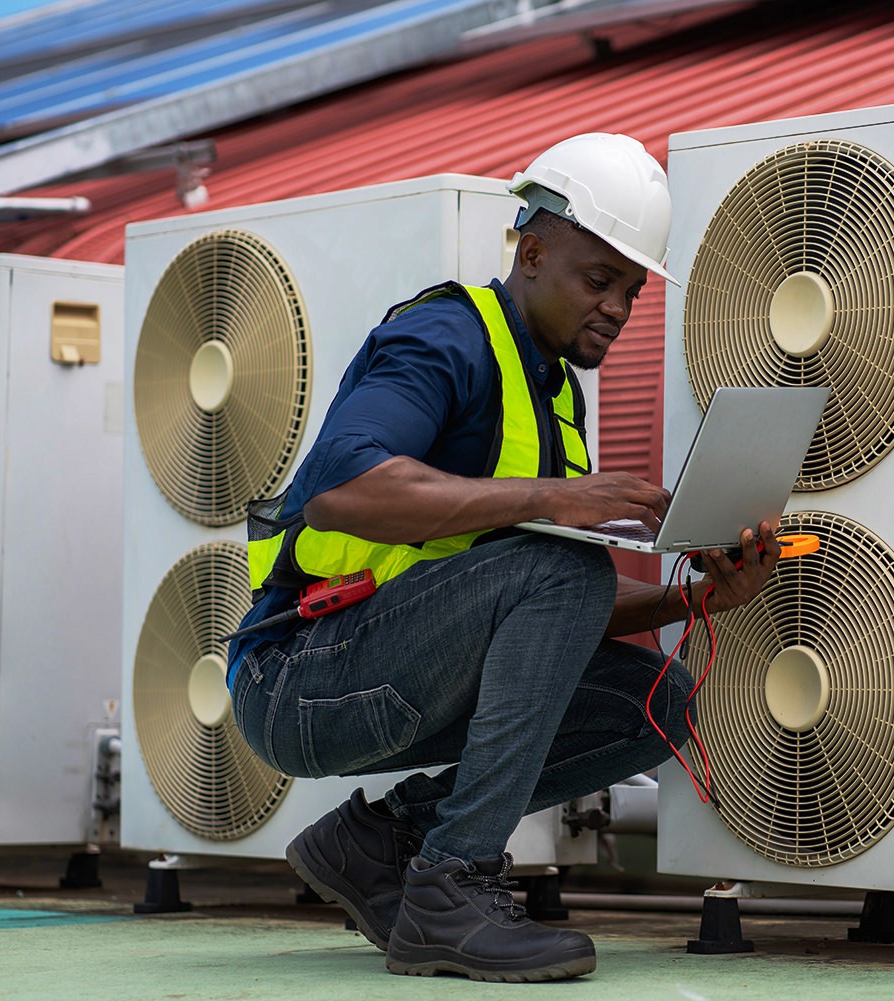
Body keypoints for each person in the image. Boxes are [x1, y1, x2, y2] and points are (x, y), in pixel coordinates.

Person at [227, 132, 781, 983]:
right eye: (598, 280)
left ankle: (383, 842)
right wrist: (550, 497)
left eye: (631, 292)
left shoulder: (554, 395)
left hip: (384, 672)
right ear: (532, 253)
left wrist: (695, 599)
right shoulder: (443, 337)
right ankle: (453, 886)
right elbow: (341, 488)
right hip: (294, 677)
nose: (616, 308)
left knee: (660, 700)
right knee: (565, 566)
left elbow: (546, 610)